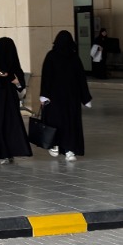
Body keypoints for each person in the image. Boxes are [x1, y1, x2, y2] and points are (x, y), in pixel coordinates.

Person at [40, 31, 93, 161]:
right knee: (70, 123)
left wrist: (44, 95)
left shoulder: (51, 56)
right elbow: (81, 79)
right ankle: (69, 150)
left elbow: (46, 77)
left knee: (56, 122)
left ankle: (55, 145)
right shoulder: (74, 57)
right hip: (71, 97)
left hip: (54, 98)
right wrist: (85, 98)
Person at [0, 37, 31, 165]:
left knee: (10, 126)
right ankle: (1, 154)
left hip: (10, 100)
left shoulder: (13, 63)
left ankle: (10, 152)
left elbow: (20, 83)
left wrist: (16, 82)